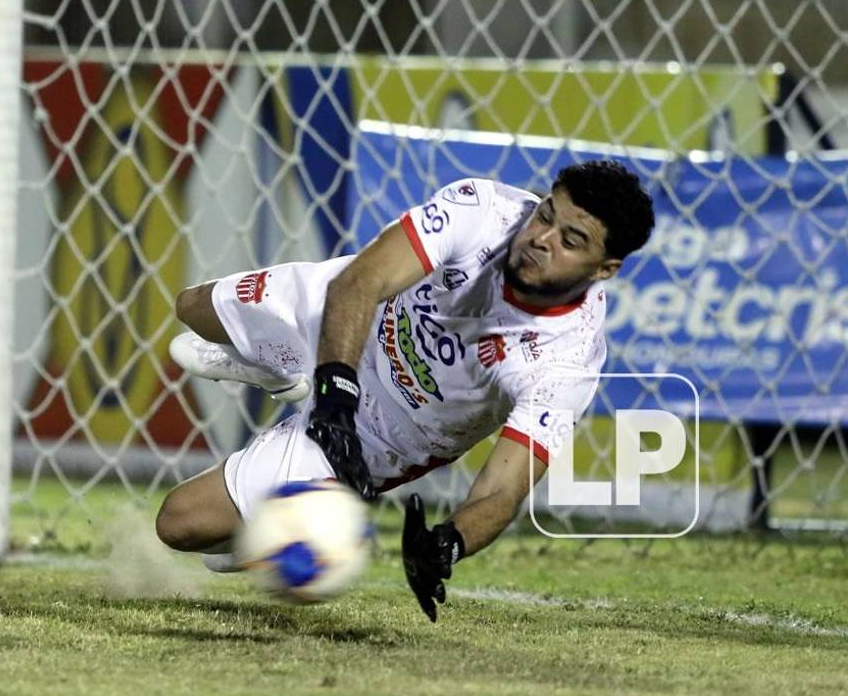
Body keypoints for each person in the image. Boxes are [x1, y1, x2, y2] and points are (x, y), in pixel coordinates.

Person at [155, 160, 655, 621]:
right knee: (191, 307)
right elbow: (361, 282)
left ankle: (293, 523)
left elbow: (503, 490)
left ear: (605, 268)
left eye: (571, 240)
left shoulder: (565, 362)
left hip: (386, 431)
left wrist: (449, 543)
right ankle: (286, 372)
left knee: (179, 525)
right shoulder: (484, 209)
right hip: (347, 317)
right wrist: (334, 394)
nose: (541, 238)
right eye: (545, 214)